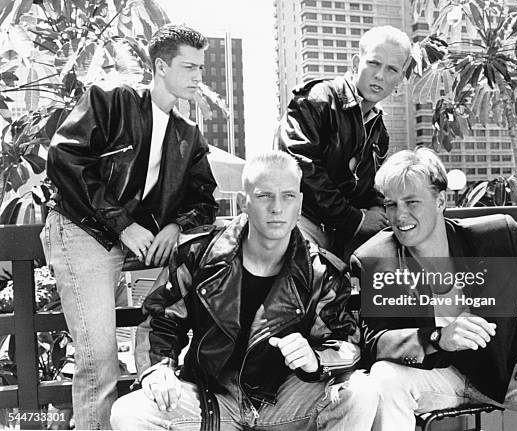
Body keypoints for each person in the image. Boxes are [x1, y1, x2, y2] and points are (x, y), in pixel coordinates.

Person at [110, 151, 377, 431]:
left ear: (299, 204)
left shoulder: (321, 272)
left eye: (287, 196)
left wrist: (316, 358)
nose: (277, 208)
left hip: (284, 401)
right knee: (129, 413)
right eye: (264, 196)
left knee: (361, 392)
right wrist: (158, 369)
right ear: (243, 202)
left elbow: (346, 341)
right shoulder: (199, 255)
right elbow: (162, 319)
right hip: (213, 400)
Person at [351, 148, 517, 430]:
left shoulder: (495, 237)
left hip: (504, 374)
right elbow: (376, 341)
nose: (400, 215)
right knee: (384, 378)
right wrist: (437, 338)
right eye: (391, 204)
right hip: (433, 376)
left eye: (412, 202)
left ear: (440, 201)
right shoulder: (376, 258)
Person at [40, 25, 218, 429]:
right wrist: (122, 226)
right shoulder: (110, 100)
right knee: (98, 360)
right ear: (160, 66)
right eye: (188, 67)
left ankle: (147, 401)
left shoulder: (187, 135)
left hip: (143, 245)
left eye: (201, 69)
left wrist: (175, 225)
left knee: (157, 339)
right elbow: (65, 159)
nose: (198, 78)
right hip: (82, 228)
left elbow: (204, 200)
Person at [276, 26, 411, 260]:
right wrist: (355, 219)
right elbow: (299, 167)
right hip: (300, 222)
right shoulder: (317, 100)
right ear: (356, 62)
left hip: (342, 234)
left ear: (399, 78)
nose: (380, 75)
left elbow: (371, 186)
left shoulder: (380, 132)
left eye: (391, 69)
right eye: (373, 63)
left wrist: (379, 206)